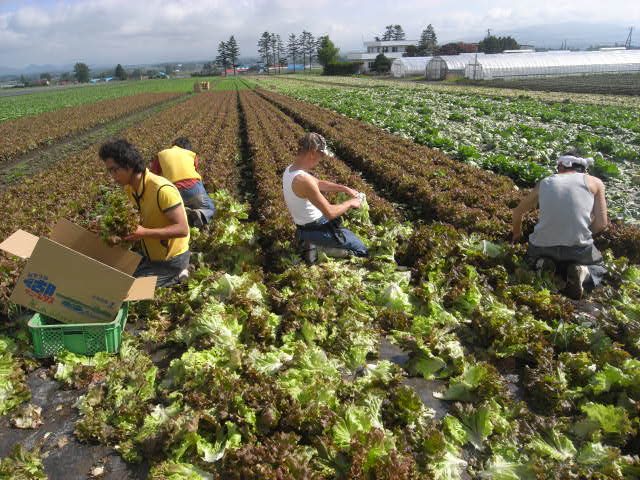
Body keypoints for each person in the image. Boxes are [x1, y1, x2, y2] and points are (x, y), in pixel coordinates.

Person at [512, 153, 609, 300]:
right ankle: (584, 271)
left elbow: (518, 213)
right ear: (583, 168)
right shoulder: (595, 182)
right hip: (578, 249)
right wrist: (584, 235)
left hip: (542, 247)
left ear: (562, 166)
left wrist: (517, 236)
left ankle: (541, 264)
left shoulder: (545, 182)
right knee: (598, 267)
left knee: (530, 260)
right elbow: (602, 223)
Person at [99, 139, 191, 288]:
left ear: (128, 165)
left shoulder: (162, 189)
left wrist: (144, 233)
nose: (112, 175)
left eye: (114, 169)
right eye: (110, 170)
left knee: (130, 290)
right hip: (149, 255)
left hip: (171, 261)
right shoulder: (130, 188)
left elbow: (182, 229)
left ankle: (178, 274)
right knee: (116, 277)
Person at [283, 132, 368, 264]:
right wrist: (350, 203)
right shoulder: (303, 180)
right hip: (317, 229)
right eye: (321, 155)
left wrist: (344, 188)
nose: (321, 159)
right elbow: (330, 212)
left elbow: (318, 183)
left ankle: (309, 243)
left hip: (307, 227)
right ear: (312, 152)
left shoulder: (291, 170)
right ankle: (317, 249)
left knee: (350, 236)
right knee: (362, 250)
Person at [150, 137, 215, 228]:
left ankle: (184, 211)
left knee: (175, 213)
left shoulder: (161, 155)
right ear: (188, 148)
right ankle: (196, 213)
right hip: (194, 188)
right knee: (210, 208)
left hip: (173, 191)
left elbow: (152, 176)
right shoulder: (192, 155)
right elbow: (194, 172)